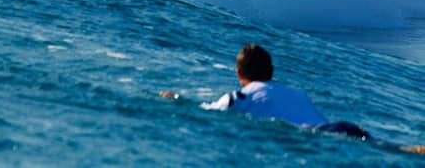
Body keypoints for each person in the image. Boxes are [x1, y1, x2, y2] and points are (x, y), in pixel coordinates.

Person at [160, 43, 424, 153]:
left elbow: (207, 112)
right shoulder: (294, 92)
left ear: (239, 73)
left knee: (385, 150)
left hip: (327, 134)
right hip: (343, 126)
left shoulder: (240, 96)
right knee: (388, 148)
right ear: (272, 72)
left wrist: (176, 98)